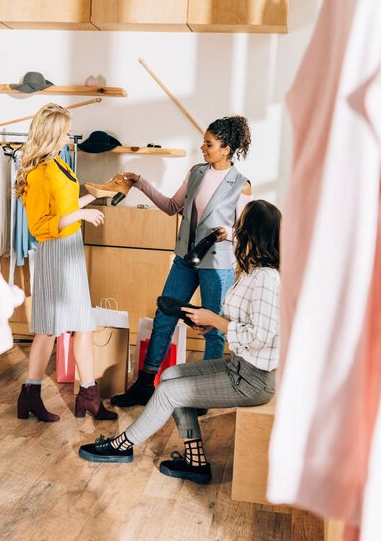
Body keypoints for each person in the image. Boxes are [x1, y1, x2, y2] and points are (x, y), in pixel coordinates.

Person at [78, 200, 281, 485]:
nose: (237, 228)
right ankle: (195, 461)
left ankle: (121, 446)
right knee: (171, 376)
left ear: (252, 232)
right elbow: (245, 322)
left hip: (252, 381)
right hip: (238, 367)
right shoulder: (250, 272)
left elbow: (261, 335)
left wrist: (215, 319)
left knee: (171, 393)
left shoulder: (266, 279)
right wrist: (211, 320)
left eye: (241, 223)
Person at [111, 115, 253, 408]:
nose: (203, 148)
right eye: (204, 142)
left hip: (217, 265)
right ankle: (143, 386)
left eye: (209, 143)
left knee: (213, 328)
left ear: (226, 148)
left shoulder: (241, 185)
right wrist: (140, 184)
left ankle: (206, 393)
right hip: (185, 260)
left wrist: (229, 234)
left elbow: (247, 233)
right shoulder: (196, 173)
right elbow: (172, 207)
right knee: (164, 315)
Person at [14, 103, 117, 422]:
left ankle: (89, 395)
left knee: (83, 323)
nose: (69, 135)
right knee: (49, 328)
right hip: (55, 251)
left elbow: (67, 204)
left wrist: (100, 194)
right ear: (52, 132)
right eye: (65, 130)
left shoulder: (59, 163)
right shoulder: (38, 172)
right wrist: (80, 214)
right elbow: (40, 225)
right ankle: (30, 394)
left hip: (70, 248)